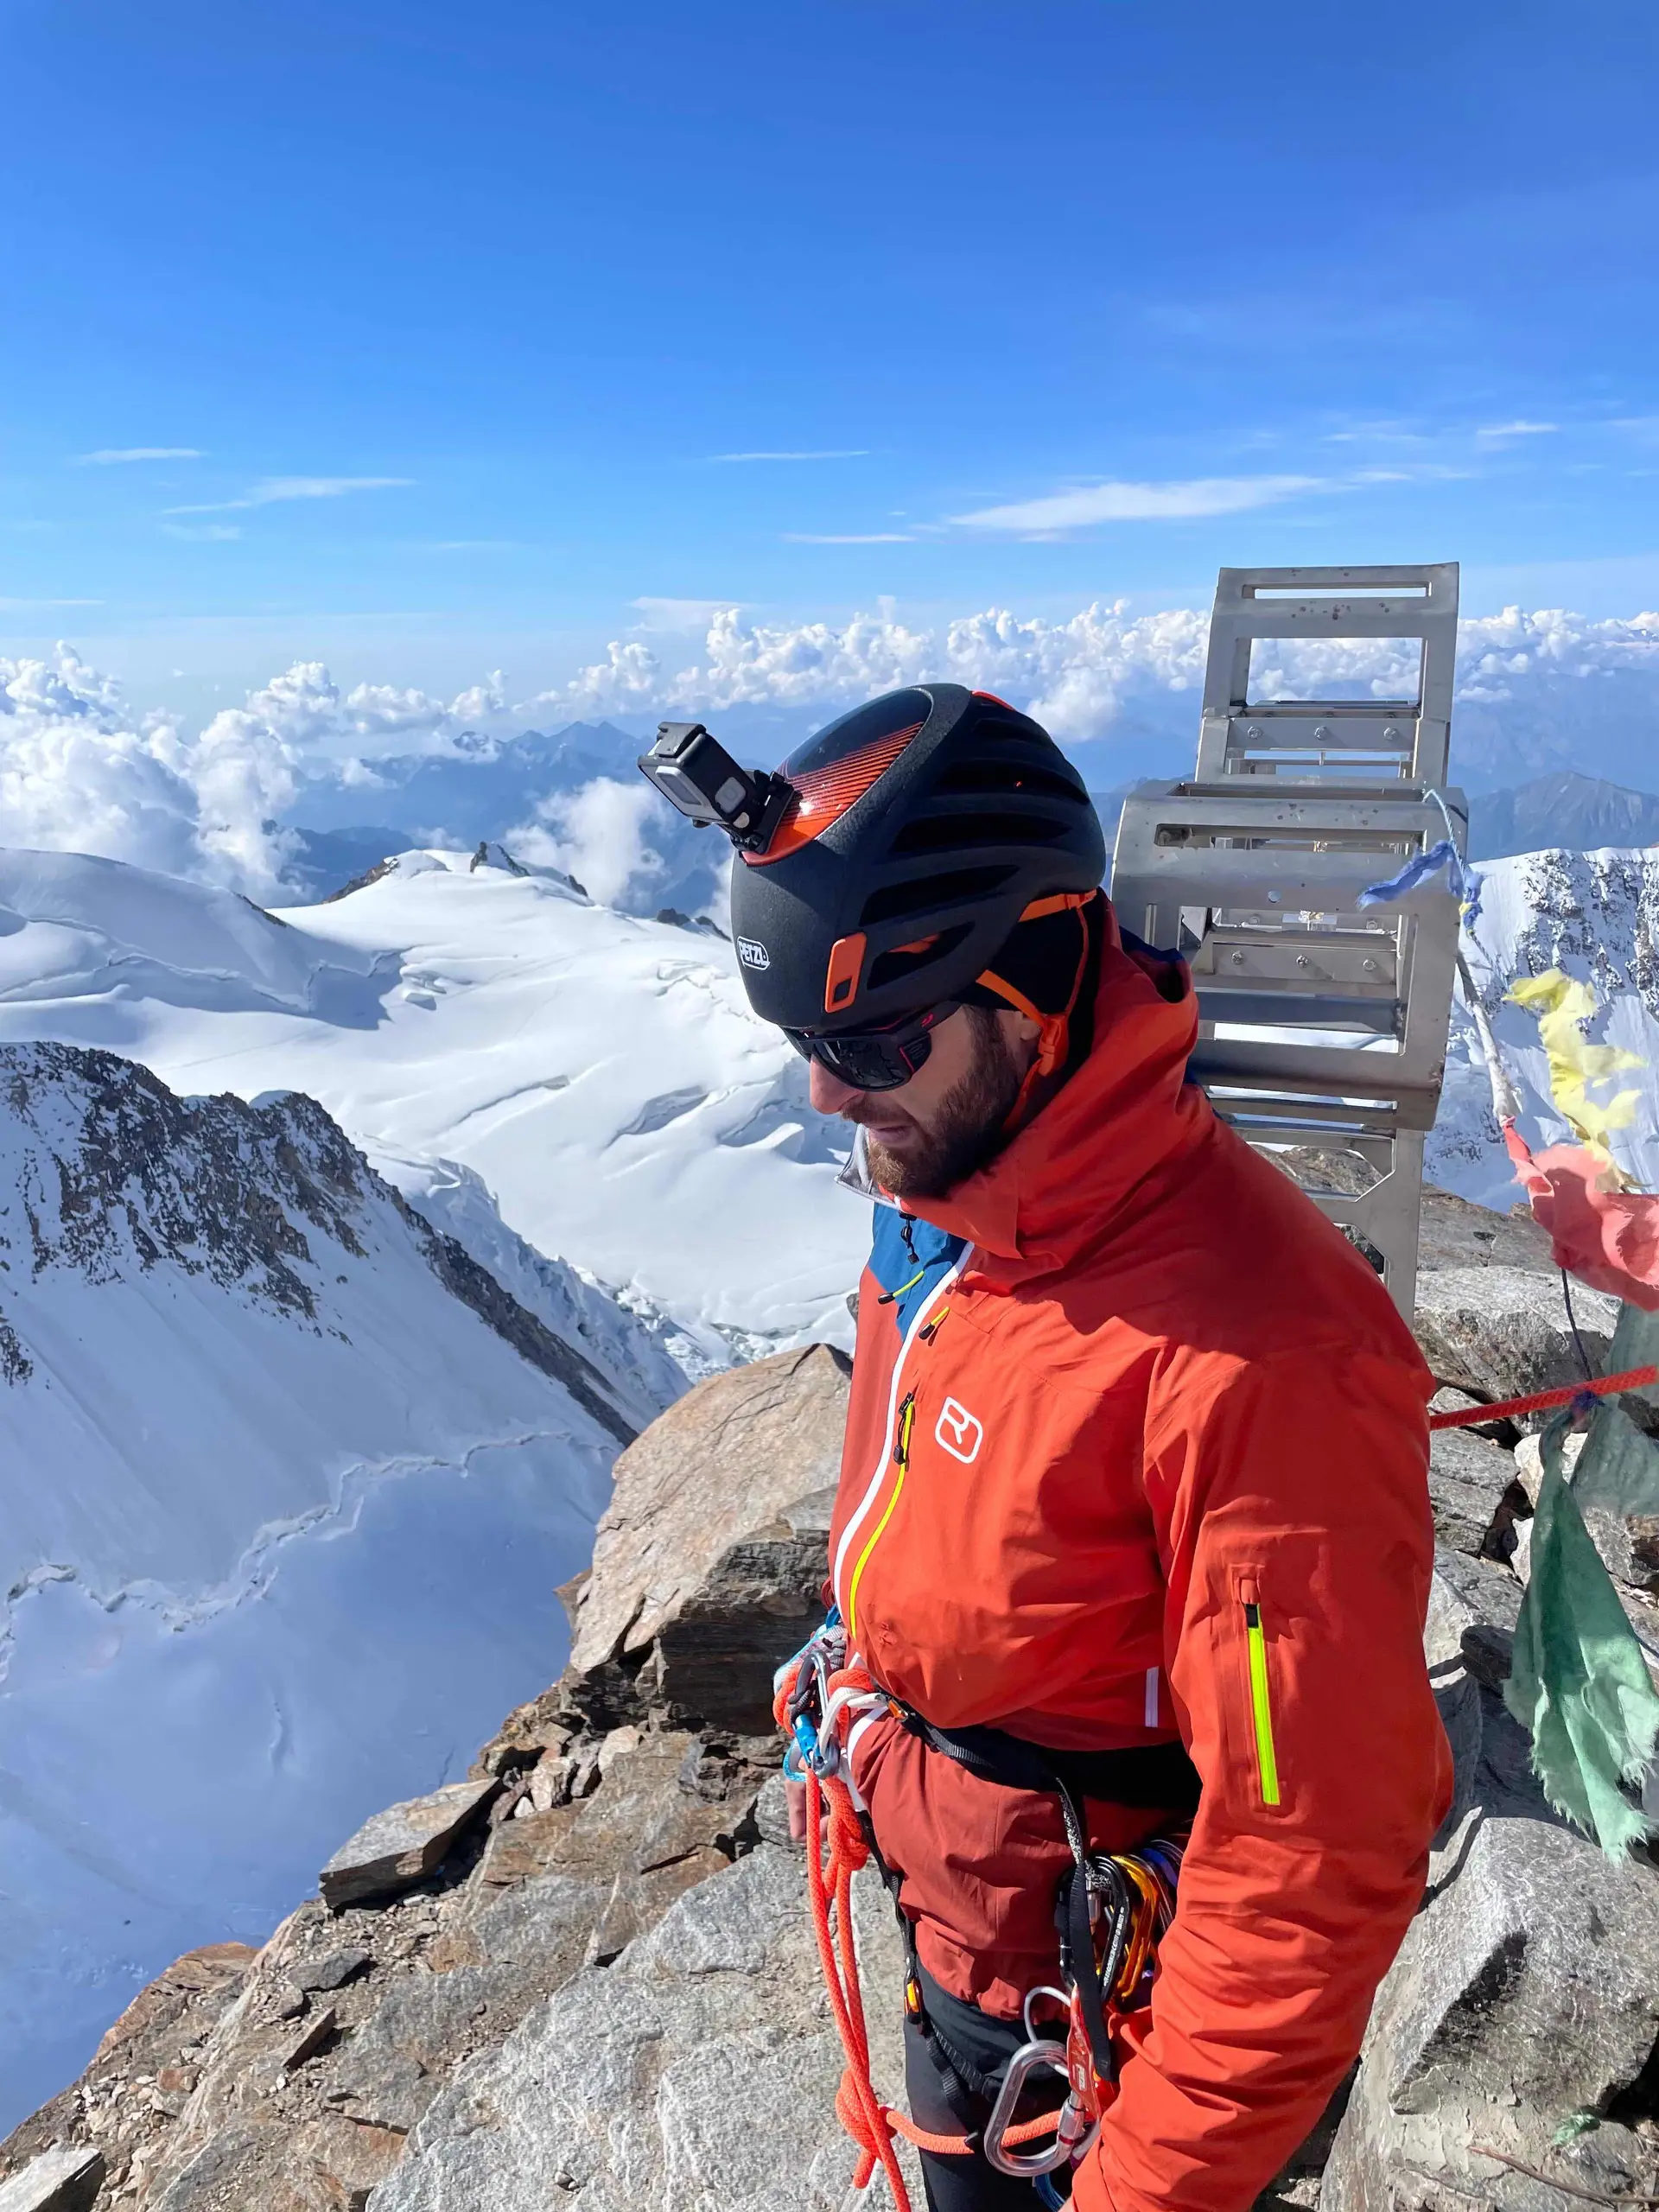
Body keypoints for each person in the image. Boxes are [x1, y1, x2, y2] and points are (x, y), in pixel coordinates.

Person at [653, 683, 1453, 2212]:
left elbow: (1307, 1858)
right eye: (809, 1039)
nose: (830, 1092)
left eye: (876, 1038)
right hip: (960, 1916)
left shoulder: (1262, 1361)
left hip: (1086, 2014)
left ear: (1036, 987)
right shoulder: (961, 1191)